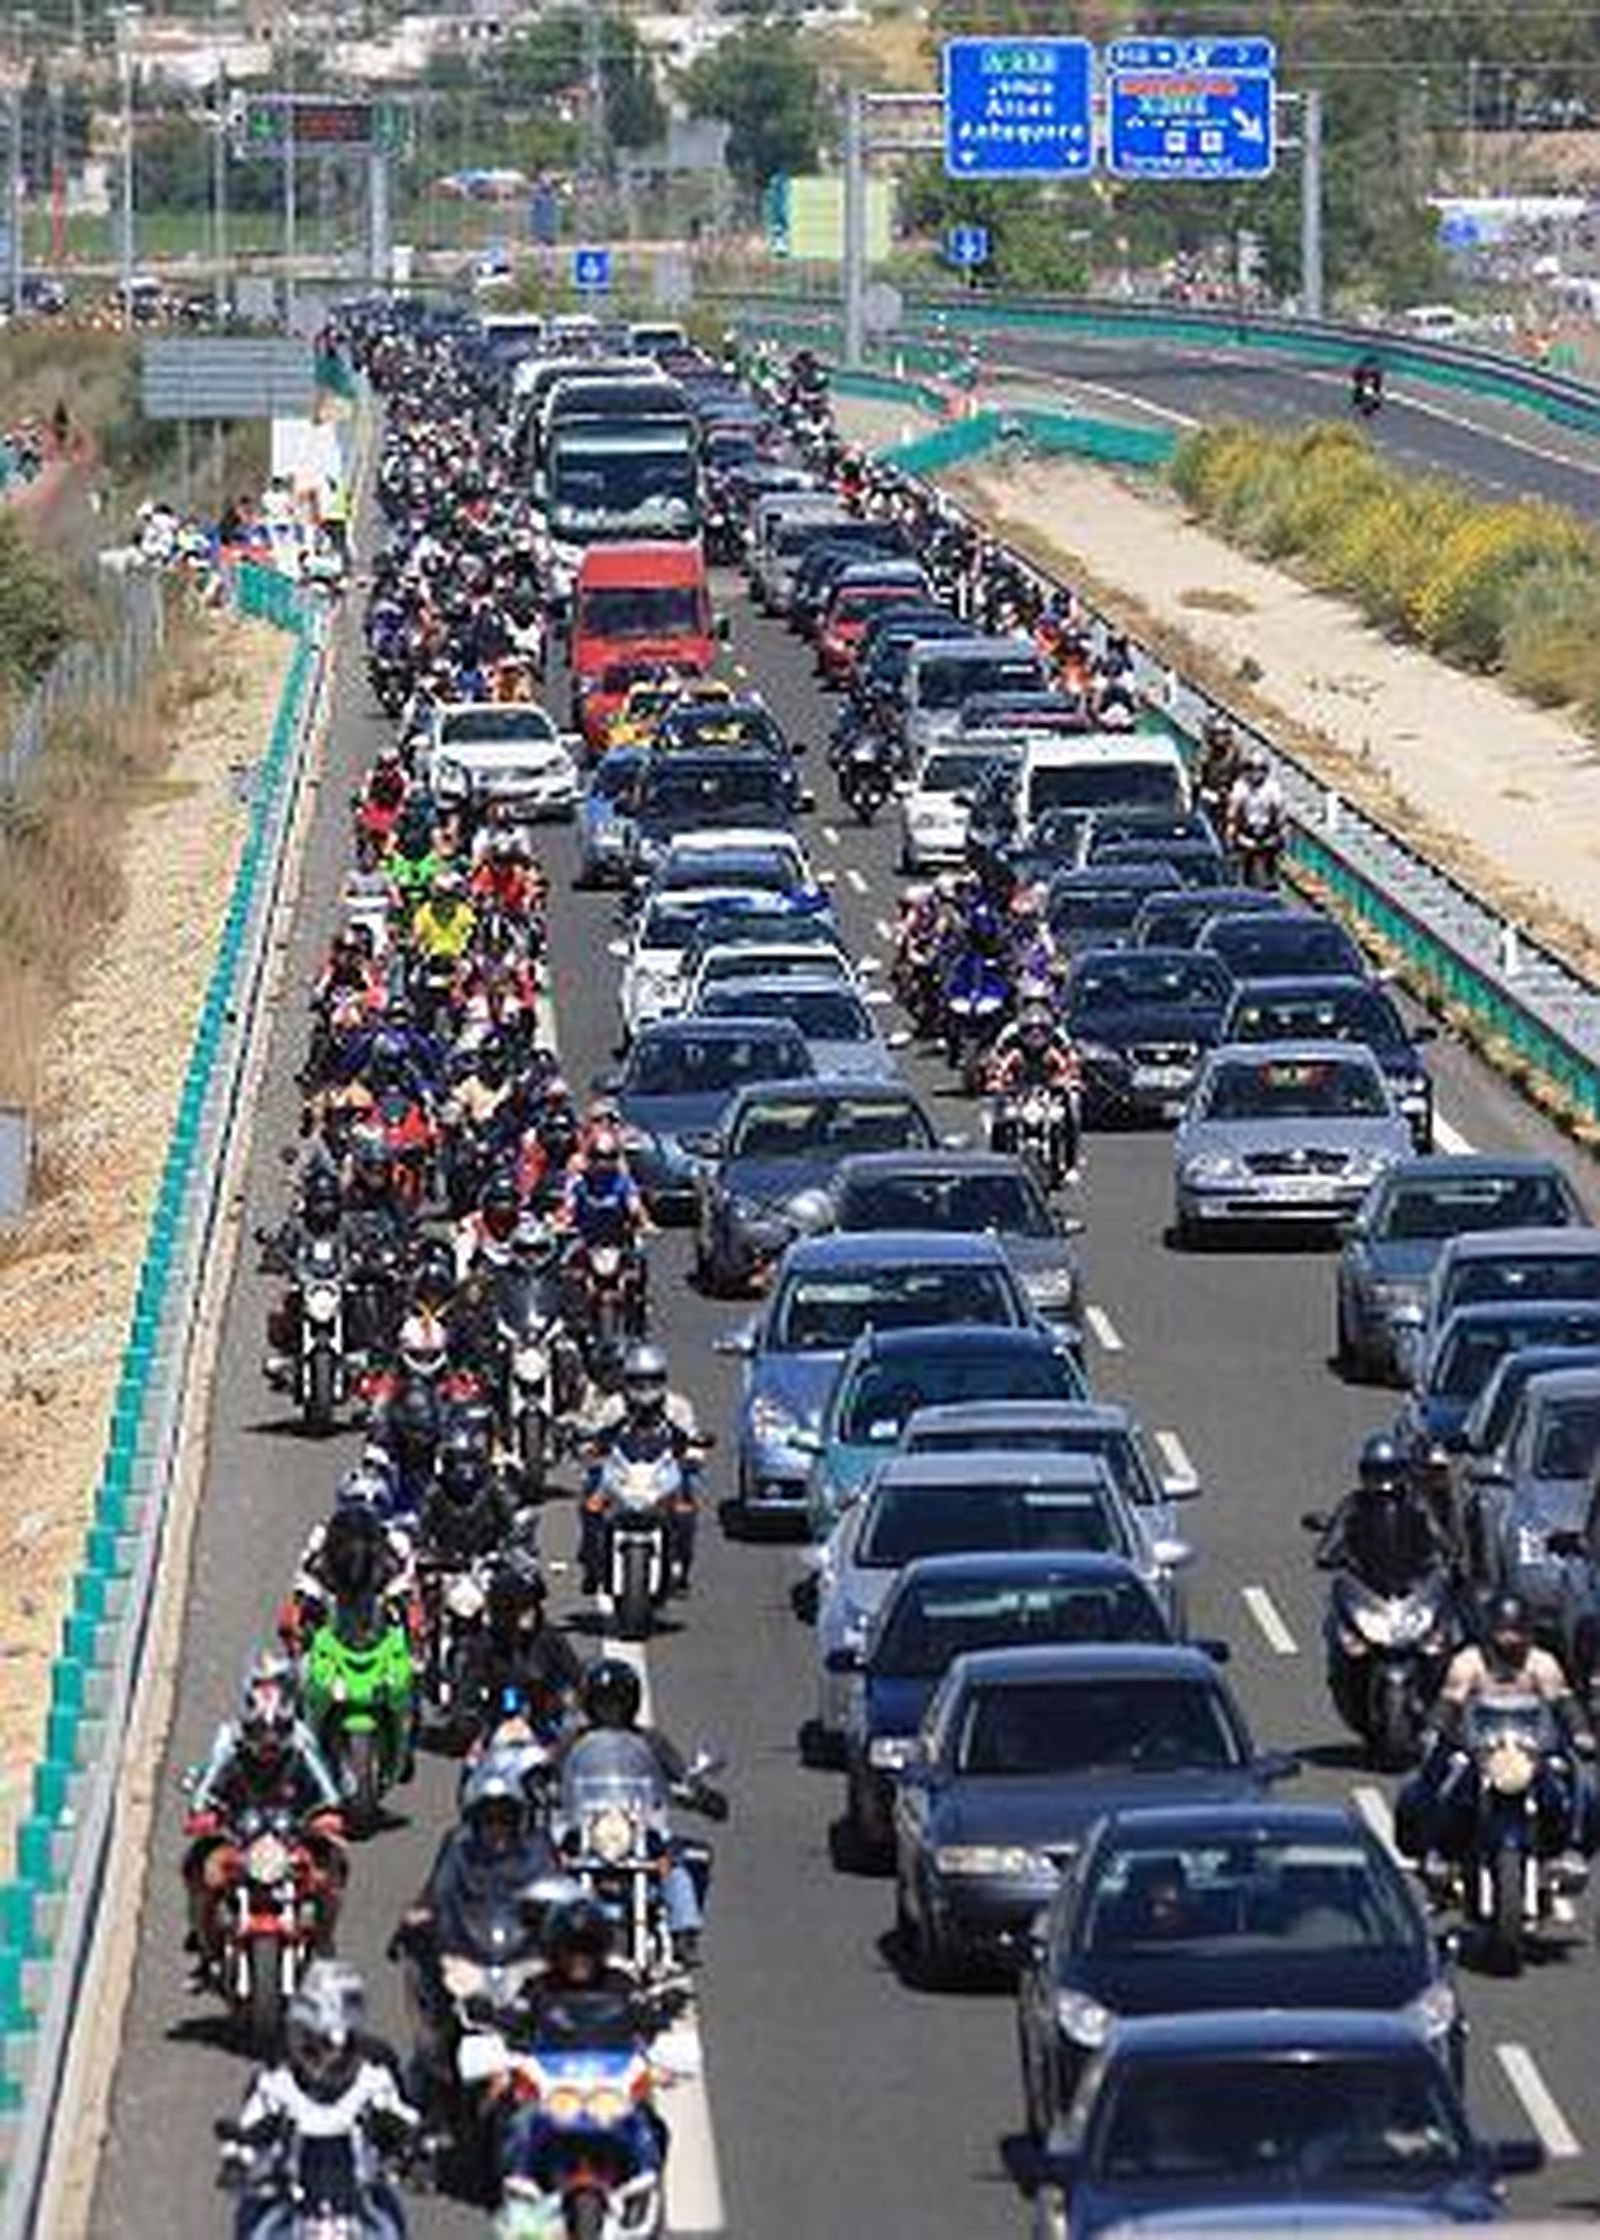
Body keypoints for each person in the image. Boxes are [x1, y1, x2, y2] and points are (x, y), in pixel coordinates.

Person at [1399, 1591, 1597, 1887]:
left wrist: (1580, 1731)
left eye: (1515, 1634)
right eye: (1502, 1634)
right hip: (1479, 1749)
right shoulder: (1469, 1662)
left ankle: (1572, 1848)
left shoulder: (1542, 1664)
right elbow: (1450, 1701)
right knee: (1441, 1774)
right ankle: (1437, 1849)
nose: (1509, 1643)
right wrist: (1433, 1729)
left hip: (1531, 1749)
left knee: (1580, 1781)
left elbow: (1563, 1702)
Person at [221, 1962, 420, 2240]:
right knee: (254, 2220)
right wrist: (238, 2159)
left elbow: (403, 2118)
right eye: (314, 2045)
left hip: (360, 2201)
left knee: (389, 2220)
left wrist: (416, 2148)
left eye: (333, 2047)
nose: (325, 2059)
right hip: (289, 2201)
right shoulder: (276, 2081)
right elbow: (248, 2128)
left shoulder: (374, 2078)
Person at [183, 1655, 346, 1984]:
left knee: (330, 1874)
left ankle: (322, 1940)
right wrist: (203, 1813)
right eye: (260, 1731)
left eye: (277, 1732)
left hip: (291, 1838)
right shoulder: (229, 1743)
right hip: (240, 1838)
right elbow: (204, 1790)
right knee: (204, 1874)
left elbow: (328, 1792)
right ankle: (207, 1947)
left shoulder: (301, 1744)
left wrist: (327, 1816)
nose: (269, 1742)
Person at [558, 1658, 727, 1967]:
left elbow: (680, 1776)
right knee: (544, 1859)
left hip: (636, 1830)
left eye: (618, 1703)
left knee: (674, 1861)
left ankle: (683, 1932)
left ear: (631, 1704)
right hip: (585, 1829)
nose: (612, 1710)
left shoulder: (650, 1740)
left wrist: (700, 1793)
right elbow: (548, 1772)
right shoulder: (573, 1740)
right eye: (605, 1703)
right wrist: (535, 1785)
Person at [580, 1342, 705, 1595]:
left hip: (662, 1472)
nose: (645, 1388)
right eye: (638, 1381)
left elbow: (693, 1441)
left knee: (688, 1496)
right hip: (622, 1470)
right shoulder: (613, 1406)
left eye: (652, 1380)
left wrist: (693, 1453)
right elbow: (592, 1436)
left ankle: (680, 1563)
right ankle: (592, 1560)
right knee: (590, 1496)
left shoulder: (678, 1407)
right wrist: (588, 1446)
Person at [1312, 1432, 1450, 1592]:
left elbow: (1438, 1534)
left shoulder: (1417, 1504)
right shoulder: (1354, 1505)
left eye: (1390, 1472)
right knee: (1334, 1611)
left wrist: (1448, 1555)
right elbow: (1330, 1544)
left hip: (1414, 1588)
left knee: (1447, 1609)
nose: (1384, 1481)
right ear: (1365, 1473)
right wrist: (1331, 1556)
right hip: (1365, 1588)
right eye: (1377, 1473)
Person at [1224, 745, 1286, 884]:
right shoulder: (1240, 787)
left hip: (1267, 831)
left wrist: (1280, 834)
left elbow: (1279, 813)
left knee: (1274, 859)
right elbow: (1232, 812)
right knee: (1240, 860)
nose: (1256, 774)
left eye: (1260, 769)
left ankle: (1273, 878)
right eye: (1251, 769)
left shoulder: (1273, 788)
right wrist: (1231, 833)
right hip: (1246, 831)